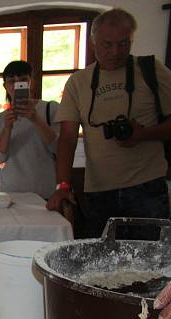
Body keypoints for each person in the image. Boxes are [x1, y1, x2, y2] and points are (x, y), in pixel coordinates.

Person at [47, 8, 171, 238]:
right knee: (101, 267)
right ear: (93, 42)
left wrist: (143, 134)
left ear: (132, 40)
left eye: (123, 44)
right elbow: (67, 139)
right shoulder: (78, 82)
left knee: (149, 264)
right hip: (98, 191)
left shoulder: (151, 70)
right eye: (107, 44)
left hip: (147, 187)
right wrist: (63, 186)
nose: (115, 52)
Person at [0, 60, 59, 200]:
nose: (16, 85)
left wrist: (35, 119)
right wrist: (7, 127)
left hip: (45, 190)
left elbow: (59, 147)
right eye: (11, 81)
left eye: (22, 80)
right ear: (6, 86)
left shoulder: (50, 109)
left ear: (30, 82)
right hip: (11, 192)